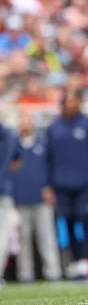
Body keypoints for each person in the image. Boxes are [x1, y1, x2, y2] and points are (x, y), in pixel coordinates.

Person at [43, 89, 88, 280]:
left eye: (74, 101)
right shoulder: (53, 128)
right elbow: (47, 158)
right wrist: (48, 184)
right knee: (66, 222)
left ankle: (84, 261)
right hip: (61, 185)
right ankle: (75, 262)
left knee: (84, 220)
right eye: (67, 101)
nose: (71, 105)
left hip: (83, 184)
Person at [11, 111, 61, 283]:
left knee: (46, 237)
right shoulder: (13, 145)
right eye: (22, 121)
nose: (25, 125)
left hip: (41, 198)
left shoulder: (43, 143)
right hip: (21, 199)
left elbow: (51, 166)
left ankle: (53, 272)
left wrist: (50, 188)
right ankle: (25, 275)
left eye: (27, 121)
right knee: (23, 240)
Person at [0, 122, 21, 289]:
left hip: (2, 190)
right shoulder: (9, 134)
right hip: (3, 189)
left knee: (2, 235)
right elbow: (16, 161)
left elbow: (15, 161)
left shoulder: (8, 134)